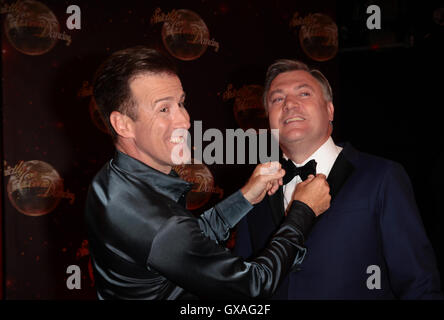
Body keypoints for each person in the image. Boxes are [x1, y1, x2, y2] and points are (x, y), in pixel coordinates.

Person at [84, 47, 331, 300]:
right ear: (122, 124)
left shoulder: (110, 179)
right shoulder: (159, 225)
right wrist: (303, 210)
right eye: (163, 109)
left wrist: (244, 198)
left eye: (180, 103)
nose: (184, 120)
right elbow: (253, 285)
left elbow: (186, 242)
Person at [234, 59, 444, 299]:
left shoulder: (382, 177)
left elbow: (419, 284)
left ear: (330, 110)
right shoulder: (254, 192)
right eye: (277, 99)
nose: (290, 104)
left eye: (304, 93)